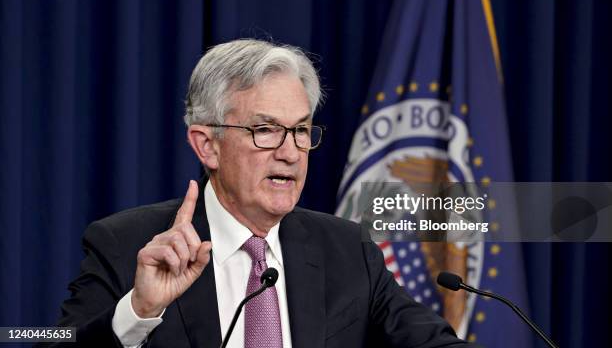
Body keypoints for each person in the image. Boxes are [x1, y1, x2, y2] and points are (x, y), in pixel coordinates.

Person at [47, 39, 475, 347]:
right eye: (266, 130)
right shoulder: (126, 245)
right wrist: (137, 312)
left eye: (302, 131)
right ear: (206, 145)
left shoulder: (346, 251)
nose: (291, 153)